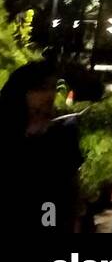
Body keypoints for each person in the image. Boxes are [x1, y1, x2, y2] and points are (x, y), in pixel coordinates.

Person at [2, 60, 83, 232]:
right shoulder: (8, 129)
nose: (49, 94)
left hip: (49, 213)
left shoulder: (62, 131)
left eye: (52, 87)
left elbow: (71, 185)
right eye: (41, 88)